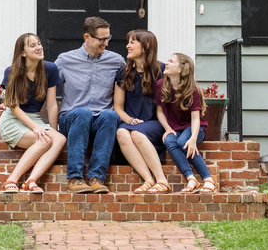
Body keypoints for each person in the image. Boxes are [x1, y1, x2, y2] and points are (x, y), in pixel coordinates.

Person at [54, 16, 124, 194]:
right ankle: (75, 178)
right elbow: (43, 87)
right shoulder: (65, 60)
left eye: (108, 38)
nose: (106, 43)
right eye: (101, 39)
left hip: (101, 119)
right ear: (87, 37)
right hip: (72, 118)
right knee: (83, 113)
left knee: (111, 115)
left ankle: (96, 178)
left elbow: (130, 89)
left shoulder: (116, 61)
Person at [0, 33, 67, 194]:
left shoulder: (50, 69)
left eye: (39, 43)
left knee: (59, 138)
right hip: (13, 119)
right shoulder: (12, 72)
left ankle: (31, 181)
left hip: (34, 118)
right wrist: (36, 128)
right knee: (44, 140)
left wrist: (53, 128)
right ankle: (11, 181)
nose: (39, 47)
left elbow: (51, 104)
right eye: (33, 45)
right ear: (23, 53)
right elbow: (13, 107)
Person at [114, 29, 169, 193]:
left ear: (146, 46)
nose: (127, 46)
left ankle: (162, 180)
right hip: (131, 123)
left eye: (132, 42)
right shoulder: (124, 73)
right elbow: (118, 106)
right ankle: (148, 179)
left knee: (137, 134)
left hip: (155, 122)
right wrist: (129, 120)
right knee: (121, 132)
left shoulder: (162, 71)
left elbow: (167, 105)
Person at [155, 53, 216, 194]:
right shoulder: (160, 85)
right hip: (174, 127)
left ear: (181, 69)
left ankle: (208, 180)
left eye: (171, 61)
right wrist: (168, 129)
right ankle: (191, 179)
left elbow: (196, 118)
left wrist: (193, 139)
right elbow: (159, 112)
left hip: (194, 128)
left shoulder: (192, 90)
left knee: (184, 141)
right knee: (170, 141)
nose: (166, 63)